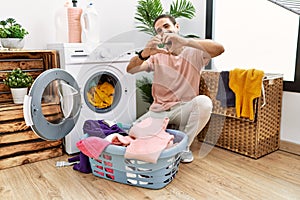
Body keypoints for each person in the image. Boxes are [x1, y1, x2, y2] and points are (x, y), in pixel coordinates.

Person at [126, 14, 224, 163]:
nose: (163, 32)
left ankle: (183, 146)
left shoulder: (195, 52)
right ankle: (165, 142)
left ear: (176, 27)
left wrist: (185, 41)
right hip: (159, 111)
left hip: (183, 108)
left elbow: (219, 49)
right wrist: (144, 54)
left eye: (166, 26)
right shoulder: (157, 56)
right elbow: (131, 69)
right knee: (131, 132)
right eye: (159, 30)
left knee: (204, 103)